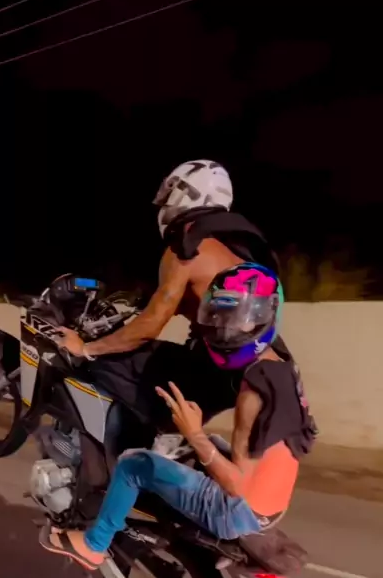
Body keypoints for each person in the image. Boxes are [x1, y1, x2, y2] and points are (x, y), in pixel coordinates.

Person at [40, 265, 317, 568]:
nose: (226, 330)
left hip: (237, 513)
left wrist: (194, 433)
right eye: (221, 317)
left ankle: (94, 545)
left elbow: (237, 486)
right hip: (273, 508)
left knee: (133, 464)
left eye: (239, 319)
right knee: (205, 445)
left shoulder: (253, 393)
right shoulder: (281, 368)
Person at [56, 159, 289, 432]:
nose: (164, 203)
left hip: (212, 370)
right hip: (261, 369)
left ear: (188, 193)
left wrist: (86, 348)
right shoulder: (240, 249)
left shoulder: (186, 249)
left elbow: (149, 326)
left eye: (170, 193)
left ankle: (142, 442)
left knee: (107, 361)